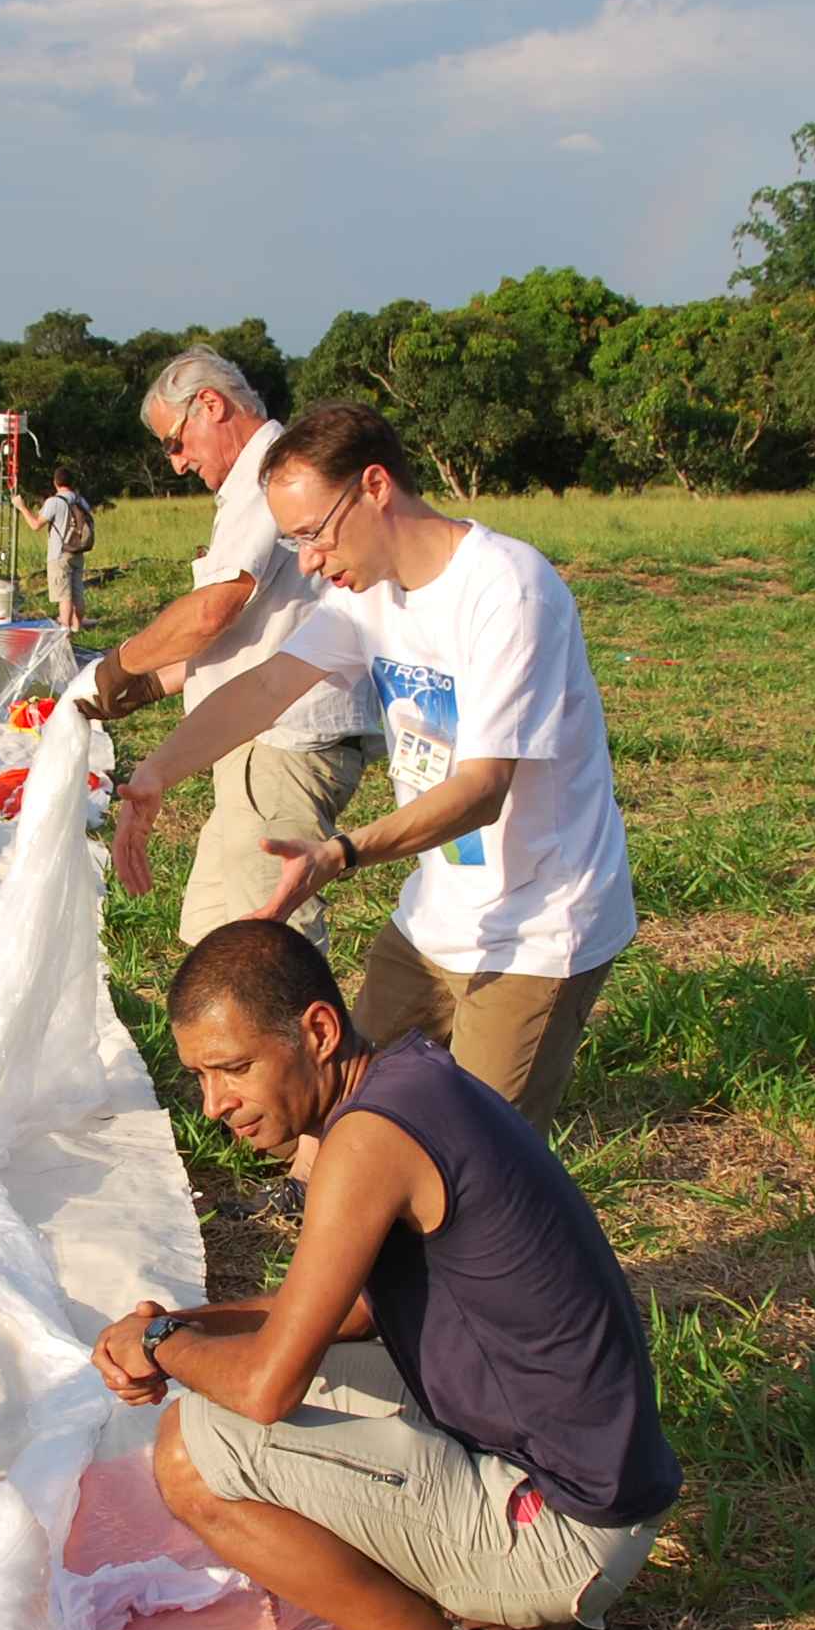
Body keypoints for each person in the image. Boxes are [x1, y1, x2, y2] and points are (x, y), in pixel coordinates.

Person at [96, 922, 676, 1630]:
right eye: (199, 1076)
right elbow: (353, 1308)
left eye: (233, 1068)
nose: (214, 1104)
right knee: (236, 1390)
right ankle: (498, 1605)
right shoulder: (411, 1082)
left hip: (567, 1529)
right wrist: (184, 1325)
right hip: (592, 1480)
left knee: (195, 1453)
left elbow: (266, 1386)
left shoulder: (369, 1141)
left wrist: (164, 1343)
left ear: (319, 1031)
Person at [109, 400, 634, 1132]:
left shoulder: (507, 592)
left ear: (377, 487)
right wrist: (157, 773)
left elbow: (482, 791)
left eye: (314, 534)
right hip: (439, 911)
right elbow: (266, 687)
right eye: (293, 542)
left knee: (474, 1154)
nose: (310, 561)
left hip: (539, 925)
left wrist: (341, 852)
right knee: (351, 1112)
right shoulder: (366, 597)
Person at [80, 350, 381, 954]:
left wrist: (122, 664)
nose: (178, 463)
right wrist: (140, 687)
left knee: (270, 952)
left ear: (210, 405)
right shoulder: (258, 484)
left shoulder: (267, 476)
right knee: (215, 934)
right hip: (250, 744)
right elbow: (245, 638)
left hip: (281, 747)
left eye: (174, 442)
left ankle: (304, 1048)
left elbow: (216, 608)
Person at [13, 463, 95, 632]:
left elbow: (36, 525)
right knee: (77, 593)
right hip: (78, 551)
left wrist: (21, 507)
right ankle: (77, 626)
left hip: (59, 553)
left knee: (64, 595)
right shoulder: (81, 500)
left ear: (55, 482)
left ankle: (65, 629)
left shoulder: (54, 502)